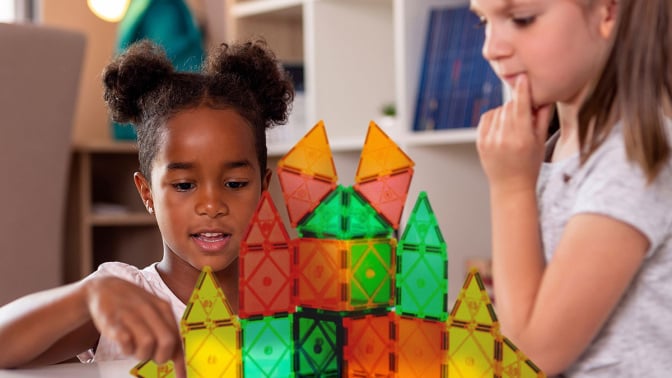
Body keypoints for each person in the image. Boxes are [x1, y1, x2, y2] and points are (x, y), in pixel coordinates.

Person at [0, 38, 294, 373]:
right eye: (184, 185)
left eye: (235, 184)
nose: (212, 205)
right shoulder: (123, 303)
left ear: (263, 190)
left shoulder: (292, 308)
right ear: (147, 194)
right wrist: (87, 298)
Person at [471, 0, 671, 376]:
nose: (491, 47)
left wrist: (511, 187)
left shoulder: (631, 160)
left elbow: (532, 355)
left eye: (522, 19)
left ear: (607, 12)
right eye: (482, 20)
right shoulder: (547, 152)